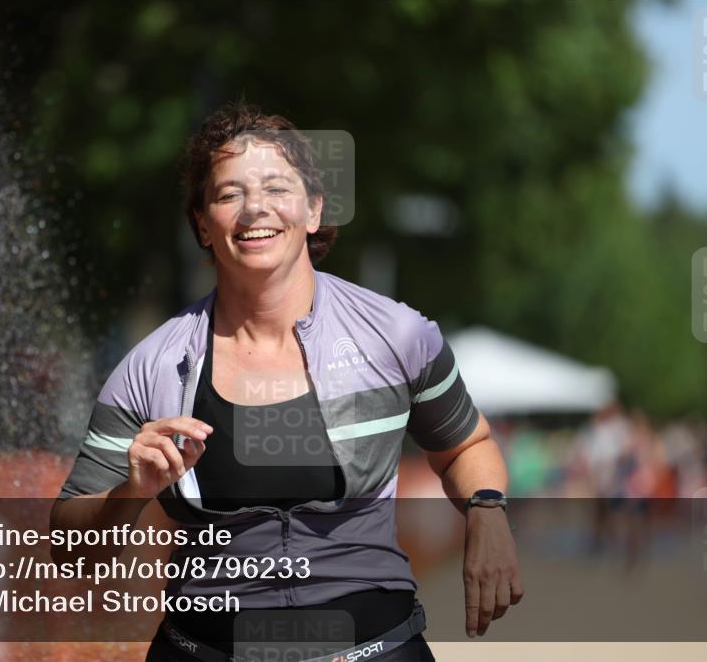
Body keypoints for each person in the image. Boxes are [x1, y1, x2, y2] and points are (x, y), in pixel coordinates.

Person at [51, 102, 523, 662]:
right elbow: (67, 543)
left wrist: (486, 511)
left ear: (314, 209)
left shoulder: (397, 335)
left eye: (276, 188)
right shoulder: (151, 367)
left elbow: (466, 445)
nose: (255, 209)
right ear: (202, 222)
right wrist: (129, 493)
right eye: (228, 194)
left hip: (376, 648)